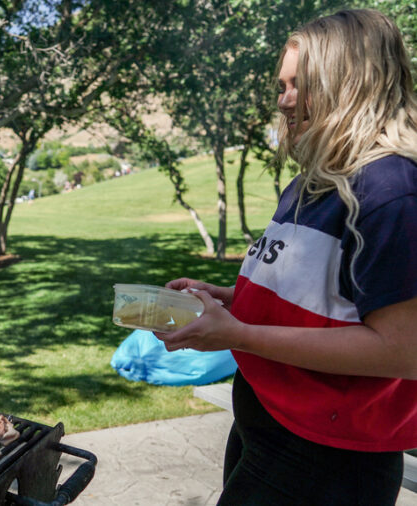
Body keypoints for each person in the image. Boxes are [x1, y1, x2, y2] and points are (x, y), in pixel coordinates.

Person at [157, 9, 417, 505]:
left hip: (328, 453)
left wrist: (239, 334)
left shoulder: (390, 190)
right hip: (270, 418)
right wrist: (231, 298)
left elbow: (404, 350)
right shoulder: (315, 179)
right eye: (282, 85)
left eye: (301, 84)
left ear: (352, 81)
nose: (284, 100)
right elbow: (326, 294)